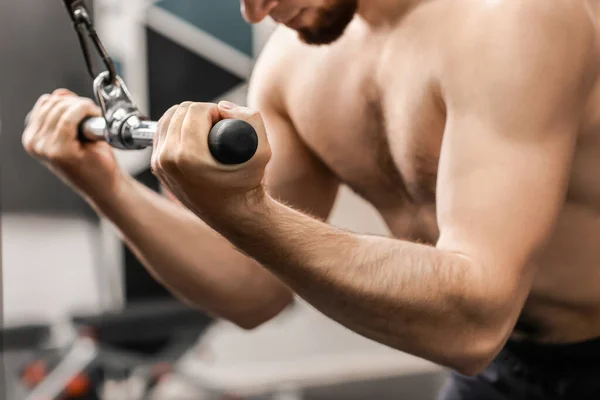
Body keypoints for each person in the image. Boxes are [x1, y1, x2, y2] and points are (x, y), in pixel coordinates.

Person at [22, 0, 600, 398]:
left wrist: (247, 212)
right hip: (507, 370)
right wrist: (107, 186)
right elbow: (252, 289)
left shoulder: (509, 18)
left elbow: (474, 321)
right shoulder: (292, 65)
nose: (254, 10)